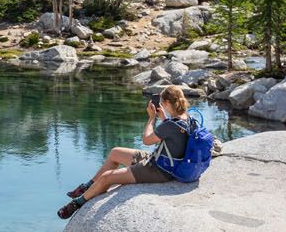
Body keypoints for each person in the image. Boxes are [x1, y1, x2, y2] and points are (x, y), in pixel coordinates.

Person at [57, 85, 210, 219]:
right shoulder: (189, 119)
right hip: (161, 160)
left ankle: (77, 203)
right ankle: (88, 186)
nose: (161, 105)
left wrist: (151, 119)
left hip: (159, 170)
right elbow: (175, 136)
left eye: (162, 102)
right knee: (115, 152)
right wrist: (163, 118)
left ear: (168, 103)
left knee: (107, 178)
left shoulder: (170, 125)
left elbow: (147, 140)